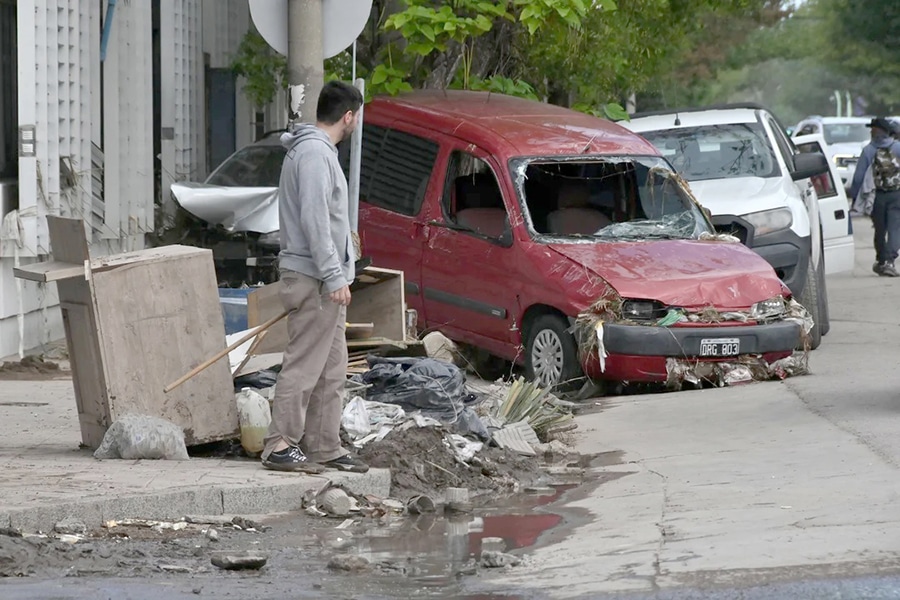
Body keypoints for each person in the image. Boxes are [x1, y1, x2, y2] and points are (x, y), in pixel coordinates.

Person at [261, 81, 369, 473]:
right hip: (314, 280)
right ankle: (279, 444)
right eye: (357, 117)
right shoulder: (313, 155)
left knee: (331, 368)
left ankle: (324, 445)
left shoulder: (317, 152)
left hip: (321, 278)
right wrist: (333, 275)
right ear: (348, 116)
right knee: (305, 365)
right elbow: (315, 219)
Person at [849, 117, 900, 277]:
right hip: (897, 194)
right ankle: (890, 261)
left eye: (872, 128)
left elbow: (858, 178)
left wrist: (855, 198)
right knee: (895, 229)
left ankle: (882, 260)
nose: (871, 130)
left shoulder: (869, 150)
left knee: (879, 230)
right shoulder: (898, 147)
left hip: (876, 196)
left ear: (877, 131)